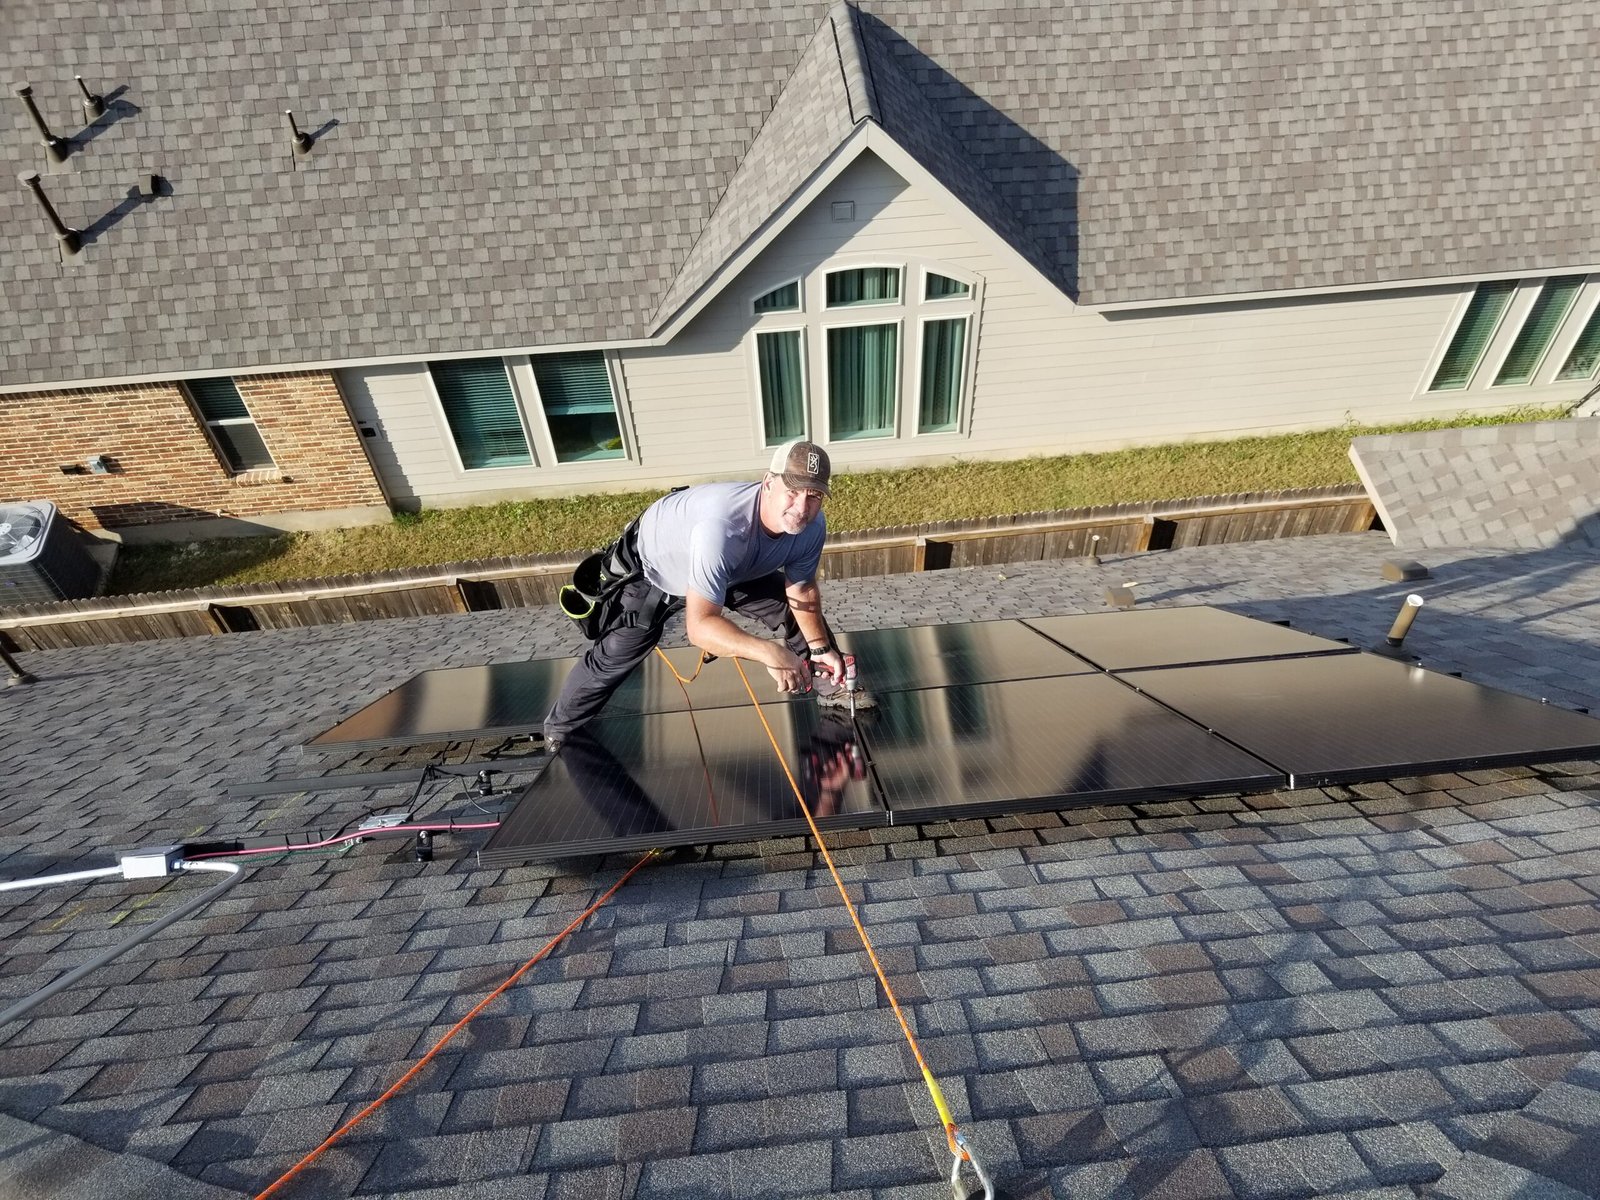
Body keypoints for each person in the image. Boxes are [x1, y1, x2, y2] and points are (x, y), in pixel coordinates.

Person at [542, 439, 874, 752]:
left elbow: (800, 589)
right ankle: (560, 730)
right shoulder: (722, 528)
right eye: (793, 491)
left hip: (733, 567)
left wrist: (820, 648)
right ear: (768, 483)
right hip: (655, 569)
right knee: (615, 656)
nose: (802, 507)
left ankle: (831, 684)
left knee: (786, 608)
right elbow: (700, 629)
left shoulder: (811, 528)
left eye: (814, 495)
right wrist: (769, 653)